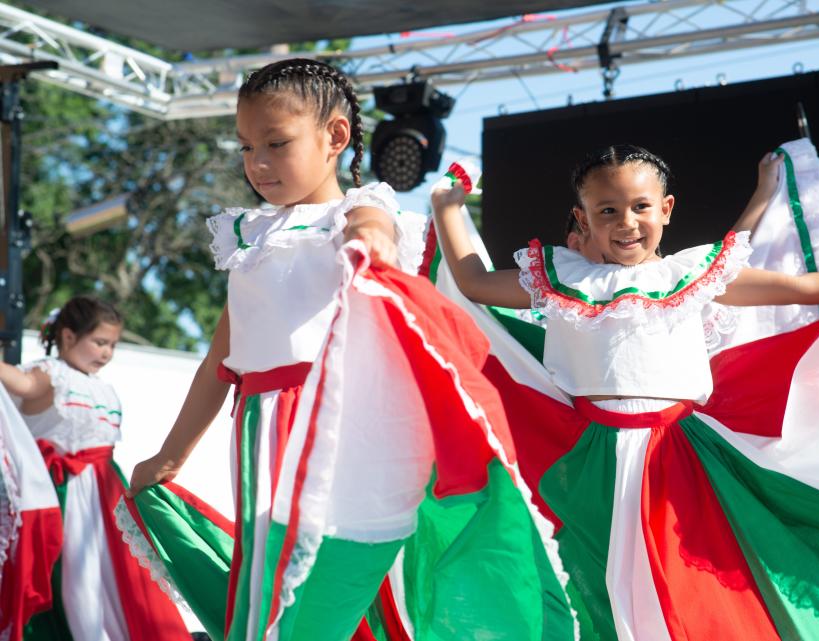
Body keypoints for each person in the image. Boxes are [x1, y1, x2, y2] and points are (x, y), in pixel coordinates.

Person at [430, 143, 819, 641]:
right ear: (582, 217)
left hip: (677, 457)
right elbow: (475, 283)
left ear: (666, 209)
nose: (625, 222)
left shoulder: (691, 274)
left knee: (697, 584)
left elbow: (796, 287)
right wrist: (450, 205)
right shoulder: (561, 278)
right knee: (595, 585)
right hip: (590, 461)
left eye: (639, 206)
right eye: (606, 210)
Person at [125, 58, 576, 641]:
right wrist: (171, 453)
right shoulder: (250, 236)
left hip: (336, 423)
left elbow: (372, 228)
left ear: (335, 136)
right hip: (263, 429)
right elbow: (222, 361)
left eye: (275, 143)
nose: (256, 163)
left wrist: (369, 242)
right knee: (278, 585)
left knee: (326, 588)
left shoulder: (359, 209)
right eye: (244, 147)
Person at [0, 295, 191, 641]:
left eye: (113, 345)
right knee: (79, 582)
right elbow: (23, 384)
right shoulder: (51, 374)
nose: (106, 353)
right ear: (69, 337)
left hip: (106, 496)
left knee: (121, 582)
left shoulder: (102, 388)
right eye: (100, 342)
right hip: (65, 495)